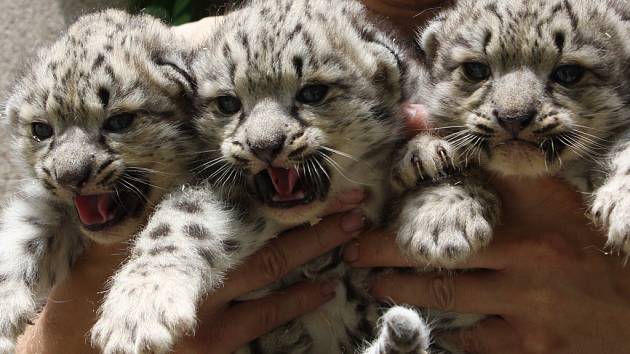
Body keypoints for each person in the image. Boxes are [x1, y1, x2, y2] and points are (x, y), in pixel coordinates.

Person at [16, 1, 630, 353]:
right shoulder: (177, 59)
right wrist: (61, 338)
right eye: (226, 105)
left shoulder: (600, 24)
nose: (263, 139)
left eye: (315, 91)